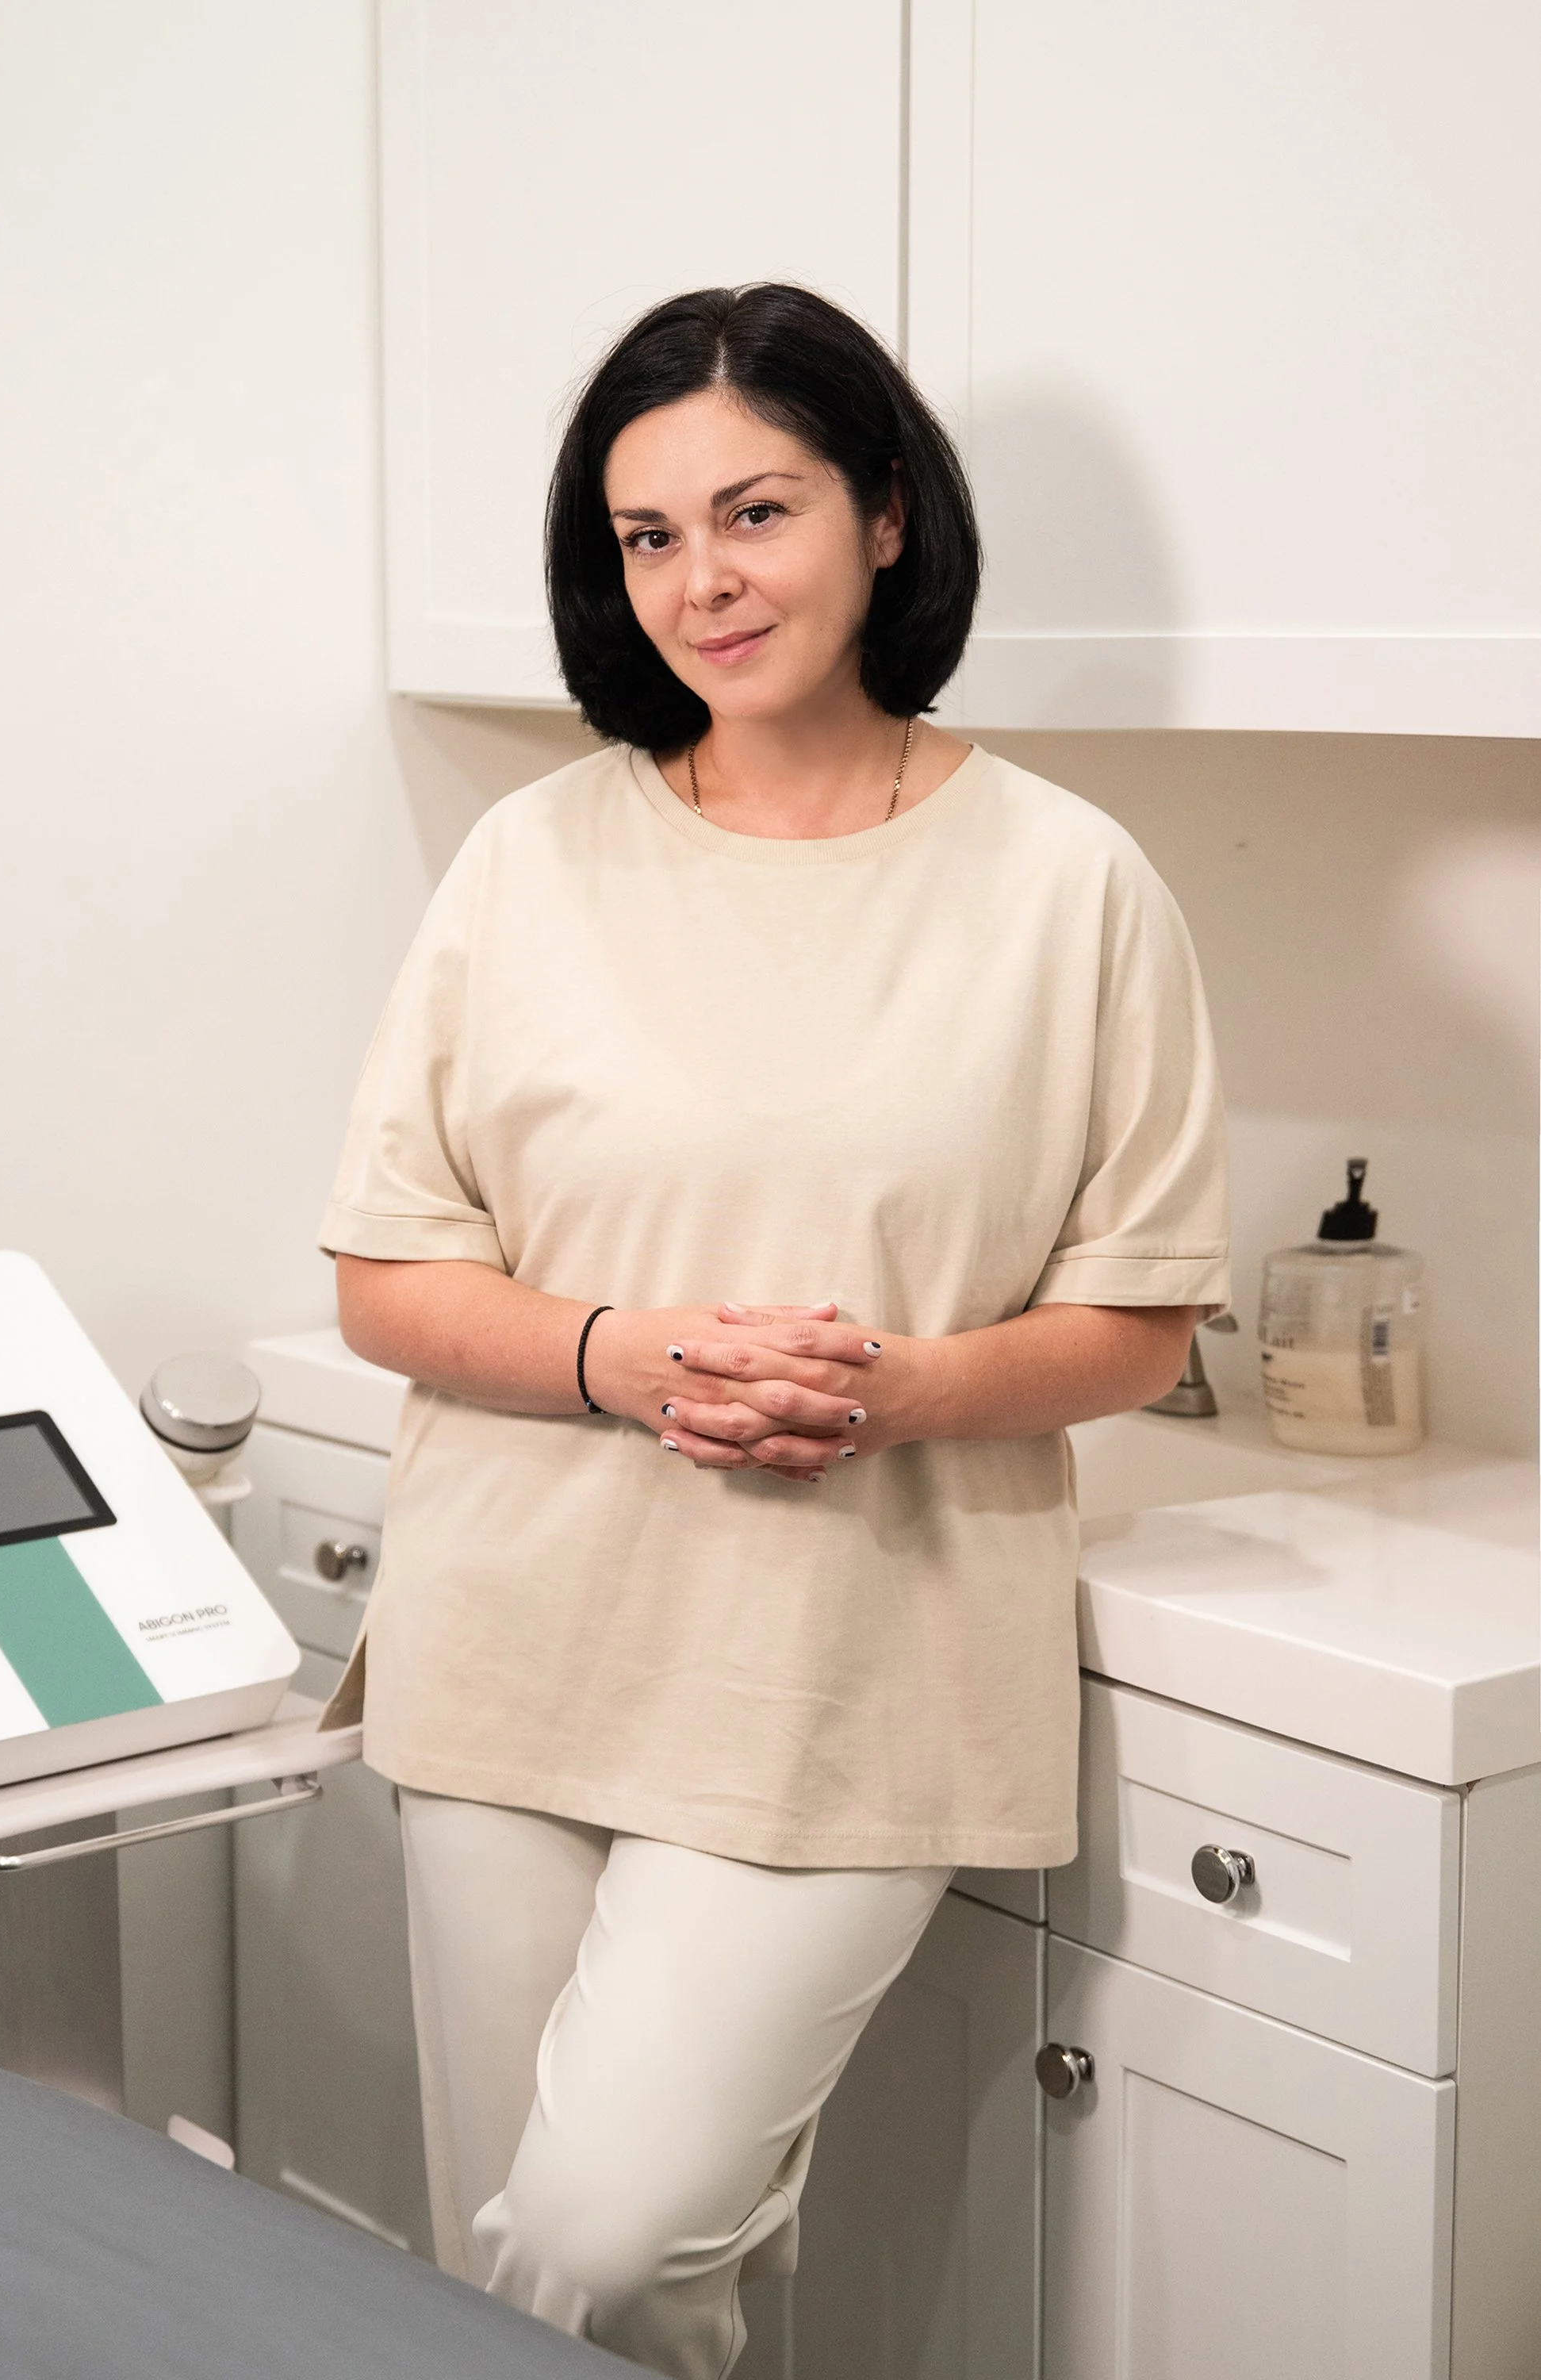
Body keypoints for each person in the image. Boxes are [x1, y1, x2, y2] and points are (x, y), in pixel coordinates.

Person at [319, 282, 1229, 2379]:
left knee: (610, 2243)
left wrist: (909, 1390)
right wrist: (616, 1357)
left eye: (757, 511)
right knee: (520, 2280)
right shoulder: (524, 863)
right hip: (519, 1637)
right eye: (647, 537)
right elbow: (387, 1273)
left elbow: (1139, 1316)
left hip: (854, 1663)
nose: (703, 583)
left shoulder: (1070, 887)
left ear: (886, 514)